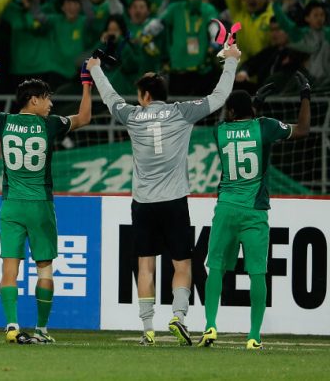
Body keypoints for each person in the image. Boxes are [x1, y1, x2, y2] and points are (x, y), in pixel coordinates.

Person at [87, 42, 242, 346]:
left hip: (143, 204)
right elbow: (220, 97)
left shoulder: (131, 115)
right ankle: (179, 317)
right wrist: (231, 61)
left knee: (145, 265)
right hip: (174, 202)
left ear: (145, 96)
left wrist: (95, 69)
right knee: (182, 264)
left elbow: (109, 97)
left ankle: (147, 329)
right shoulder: (181, 112)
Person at [0, 62, 94, 344]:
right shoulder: (49, 124)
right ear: (34, 100)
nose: (50, 103)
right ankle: (42, 330)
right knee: (44, 268)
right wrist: (87, 85)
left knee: (9, 268)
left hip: (12, 205)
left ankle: (11, 326)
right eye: (47, 98)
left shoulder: (4, 121)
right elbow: (84, 118)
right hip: (40, 205)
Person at [198, 77, 311, 351]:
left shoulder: (220, 131)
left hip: (225, 208)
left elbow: (237, 123)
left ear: (232, 112)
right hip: (254, 211)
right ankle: (253, 336)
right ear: (253, 111)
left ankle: (210, 325)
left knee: (215, 268)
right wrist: (305, 95)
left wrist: (253, 103)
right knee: (257, 273)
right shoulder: (265, 127)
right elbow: (304, 130)